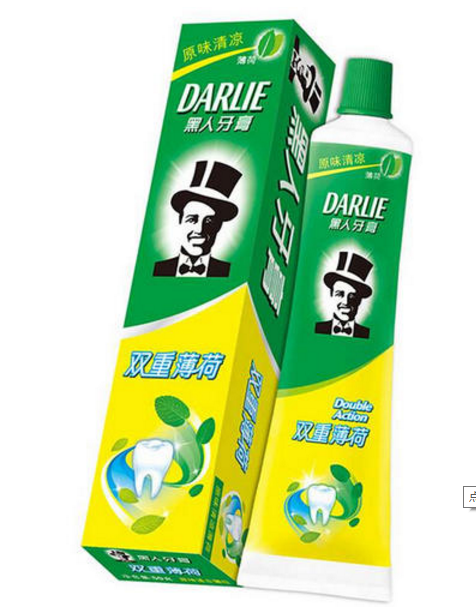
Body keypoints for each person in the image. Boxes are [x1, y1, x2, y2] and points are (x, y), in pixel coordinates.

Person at [153, 160, 242, 278]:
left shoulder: (228, 272)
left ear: (219, 226)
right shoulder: (159, 270)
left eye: (209, 221)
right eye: (192, 219)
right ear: (180, 221)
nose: (199, 229)